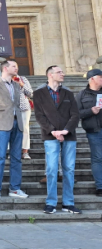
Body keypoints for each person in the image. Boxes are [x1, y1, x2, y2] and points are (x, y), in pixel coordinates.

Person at [33, 65, 81, 214]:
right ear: (50, 75)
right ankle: (51, 202)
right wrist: (53, 131)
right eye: (59, 72)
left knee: (69, 169)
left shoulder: (68, 93)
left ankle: (68, 202)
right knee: (52, 169)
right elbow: (39, 116)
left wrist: (66, 130)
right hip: (50, 135)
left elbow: (75, 114)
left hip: (69, 135)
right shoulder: (39, 93)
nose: (63, 74)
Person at [0, 59, 28, 199]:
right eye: (13, 66)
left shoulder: (17, 85)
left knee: (16, 158)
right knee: (1, 157)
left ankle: (15, 188)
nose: (16, 68)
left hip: (18, 123)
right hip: (1, 124)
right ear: (5, 68)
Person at [77, 69, 102, 197]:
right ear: (92, 79)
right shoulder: (82, 94)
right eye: (100, 77)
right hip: (94, 131)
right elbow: (76, 114)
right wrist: (91, 111)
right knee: (97, 158)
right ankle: (100, 186)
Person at [15, 75, 34, 160]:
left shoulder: (23, 79)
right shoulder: (3, 80)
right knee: (11, 130)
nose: (15, 69)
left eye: (16, 67)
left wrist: (22, 85)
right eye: (13, 67)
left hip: (24, 107)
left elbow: (30, 93)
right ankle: (13, 151)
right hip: (9, 109)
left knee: (25, 129)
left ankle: (25, 151)